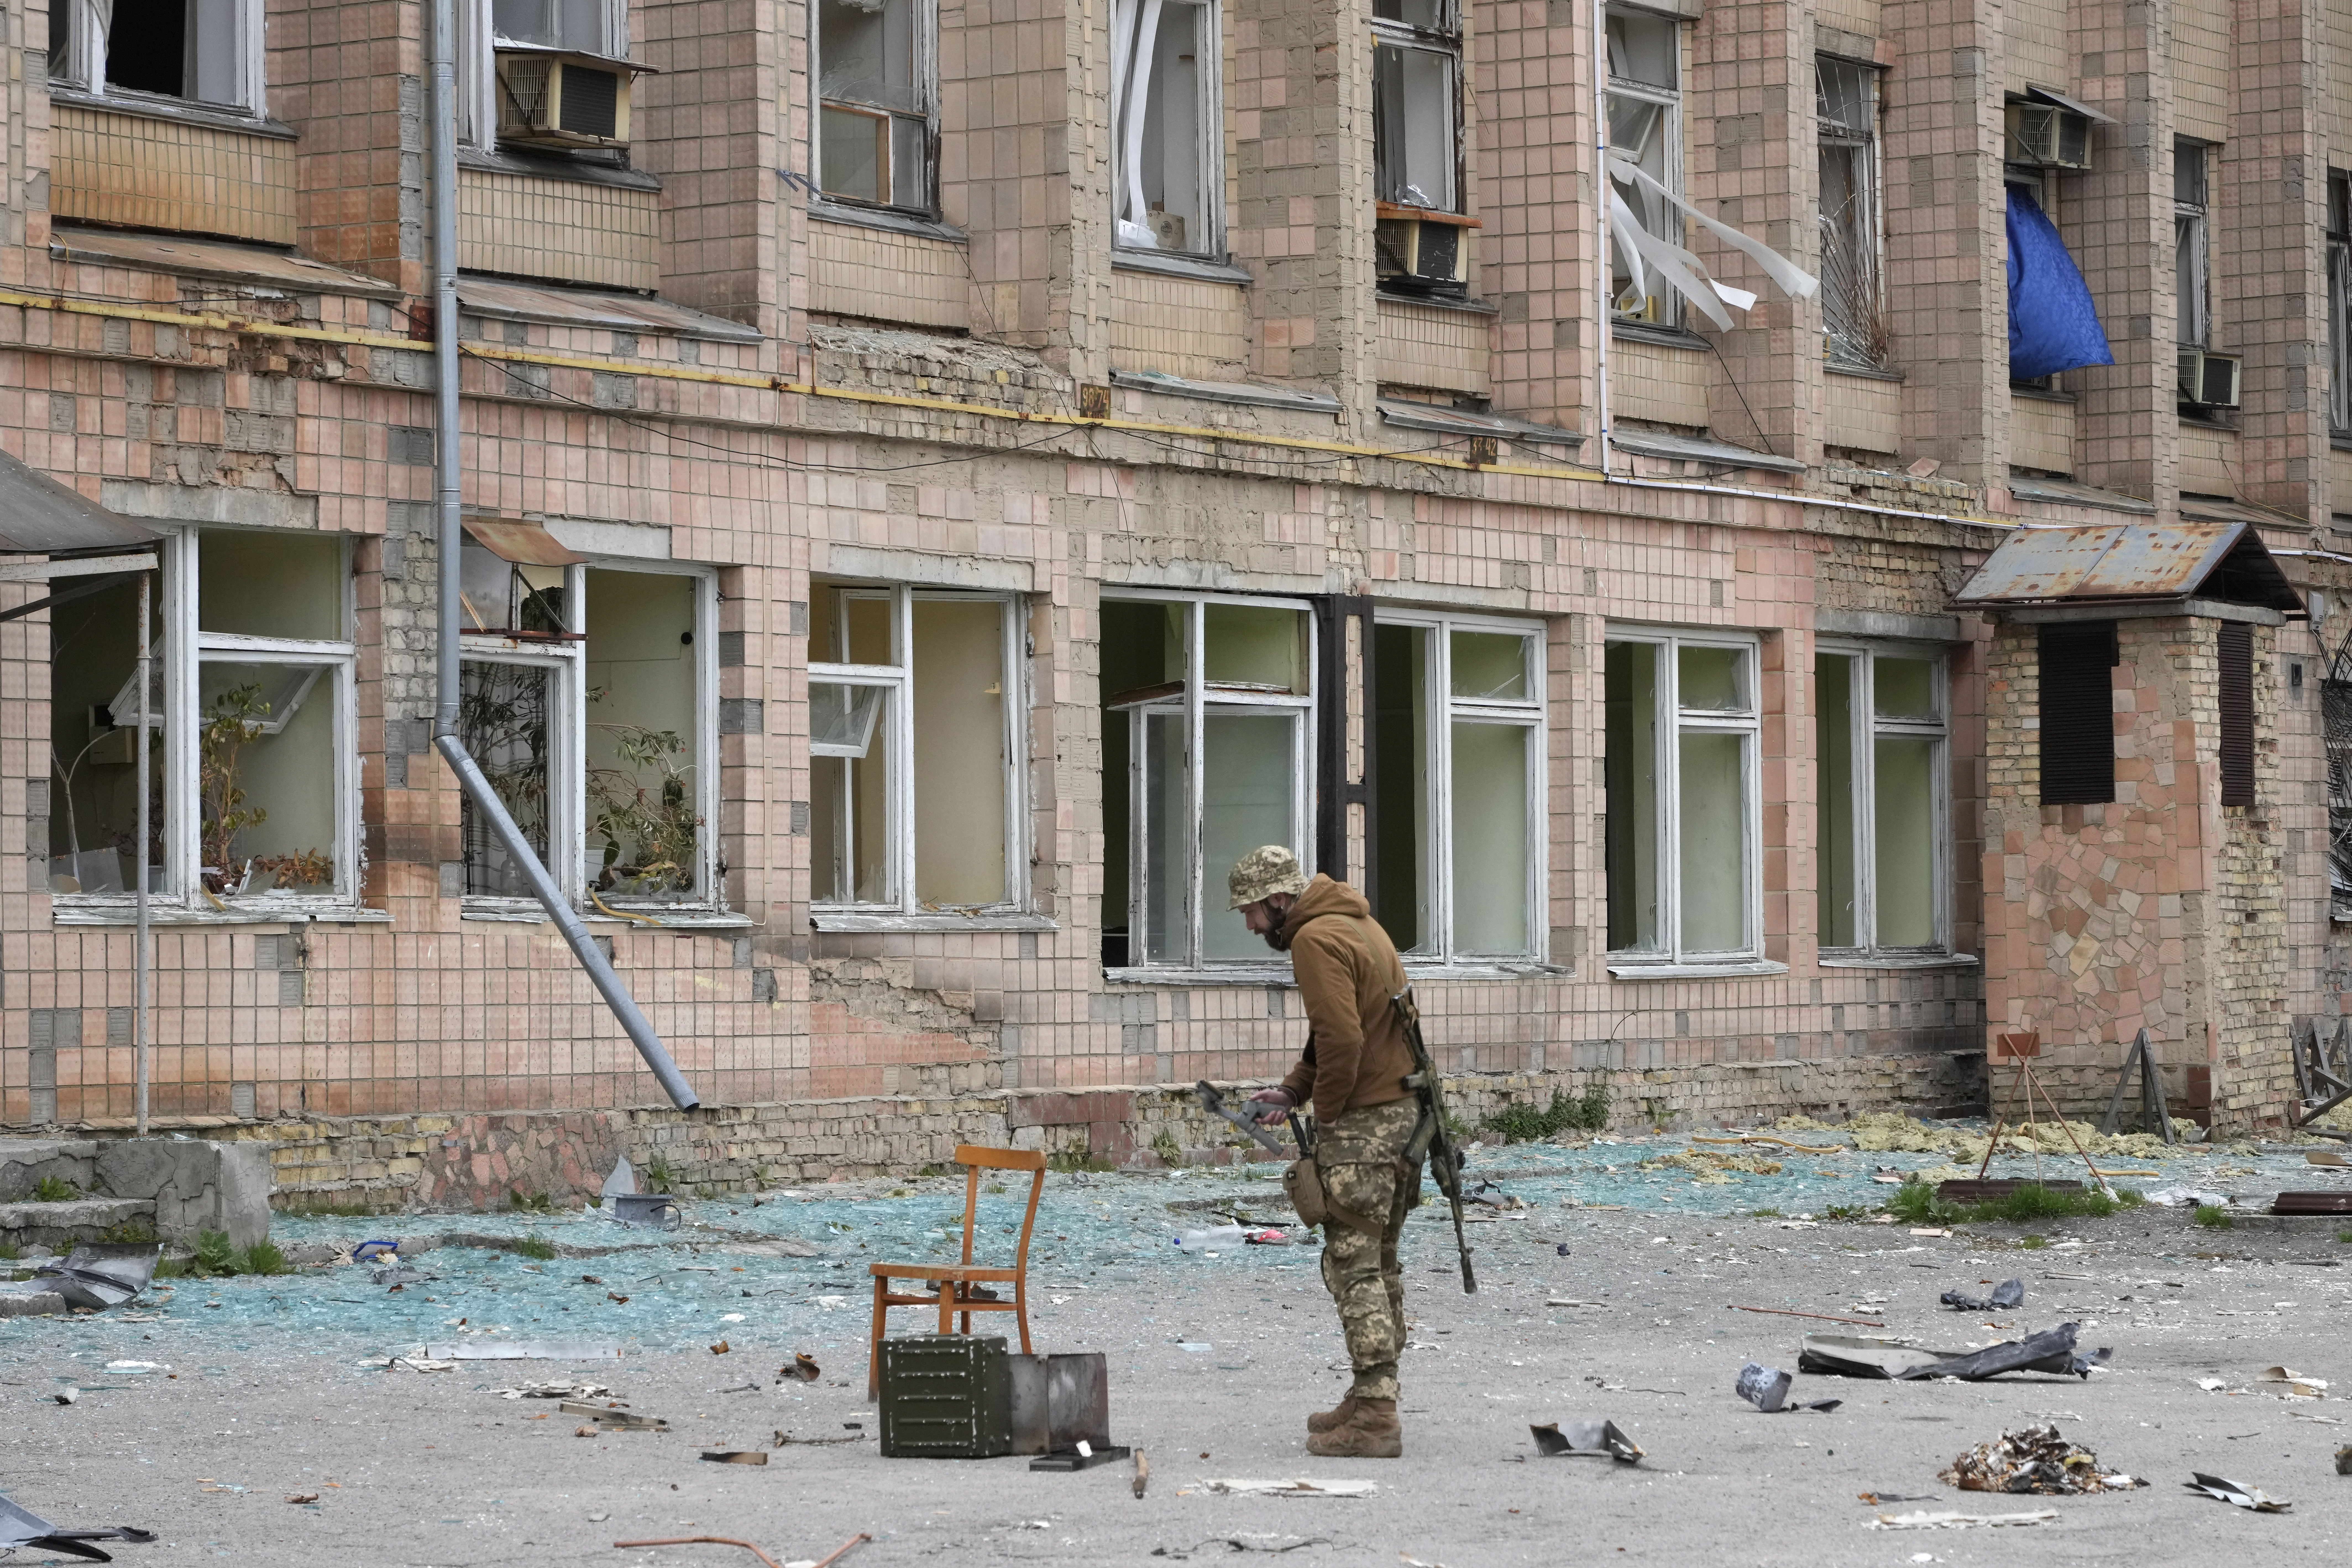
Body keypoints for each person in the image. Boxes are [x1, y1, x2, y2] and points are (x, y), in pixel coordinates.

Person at [1226, 844, 1419, 1460]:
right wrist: (1292, 1089)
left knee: (1352, 1264)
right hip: (1403, 1116)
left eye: (1251, 911)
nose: (1251, 925)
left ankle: (1376, 1418)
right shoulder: (1357, 924)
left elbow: (1341, 1037)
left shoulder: (1312, 940)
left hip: (1365, 1124)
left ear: (1277, 900)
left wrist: (1328, 1117)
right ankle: (1370, 1396)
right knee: (1379, 1261)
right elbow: (1336, 1031)